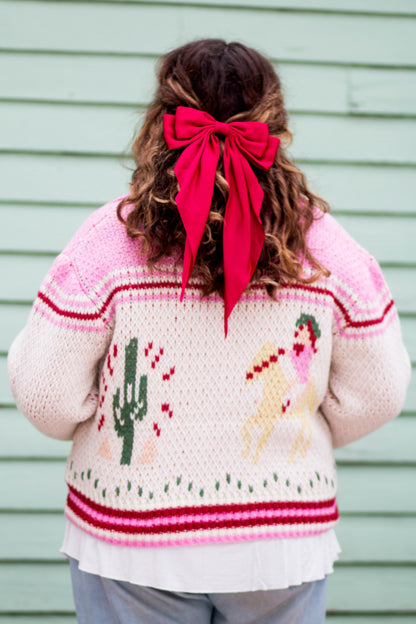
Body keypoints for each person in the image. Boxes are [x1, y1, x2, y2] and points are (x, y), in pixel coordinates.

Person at [8, 39, 410, 624]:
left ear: (160, 124)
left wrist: (112, 409)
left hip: (133, 542)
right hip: (279, 543)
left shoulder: (109, 240)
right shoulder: (328, 248)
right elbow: (379, 390)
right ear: (274, 127)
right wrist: (291, 424)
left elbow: (44, 394)